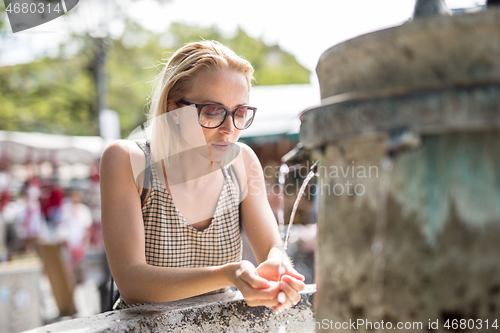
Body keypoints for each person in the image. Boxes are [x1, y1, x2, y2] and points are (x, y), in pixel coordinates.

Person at [100, 40, 305, 312]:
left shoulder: (242, 161)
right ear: (174, 111)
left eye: (240, 112)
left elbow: (272, 248)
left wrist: (279, 267)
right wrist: (228, 274)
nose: (229, 129)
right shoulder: (127, 160)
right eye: (212, 112)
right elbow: (132, 283)